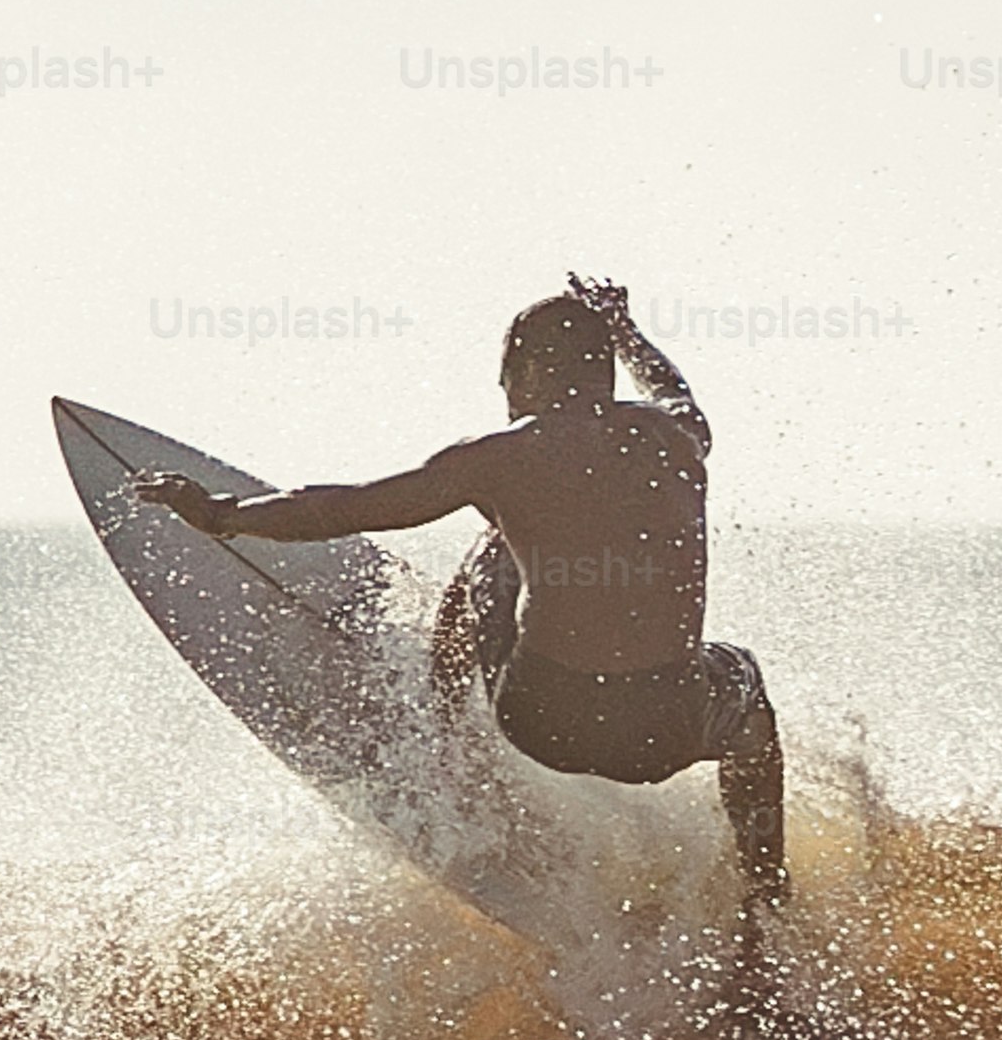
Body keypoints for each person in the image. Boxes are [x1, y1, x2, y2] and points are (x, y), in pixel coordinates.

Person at [129, 276, 787, 905]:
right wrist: (627, 329)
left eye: (506, 376)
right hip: (669, 727)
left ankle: (442, 736)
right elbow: (676, 389)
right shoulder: (680, 436)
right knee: (746, 687)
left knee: (494, 548)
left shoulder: (498, 457)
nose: (504, 392)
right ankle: (766, 893)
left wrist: (222, 514)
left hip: (548, 720)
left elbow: (346, 509)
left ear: (530, 371)